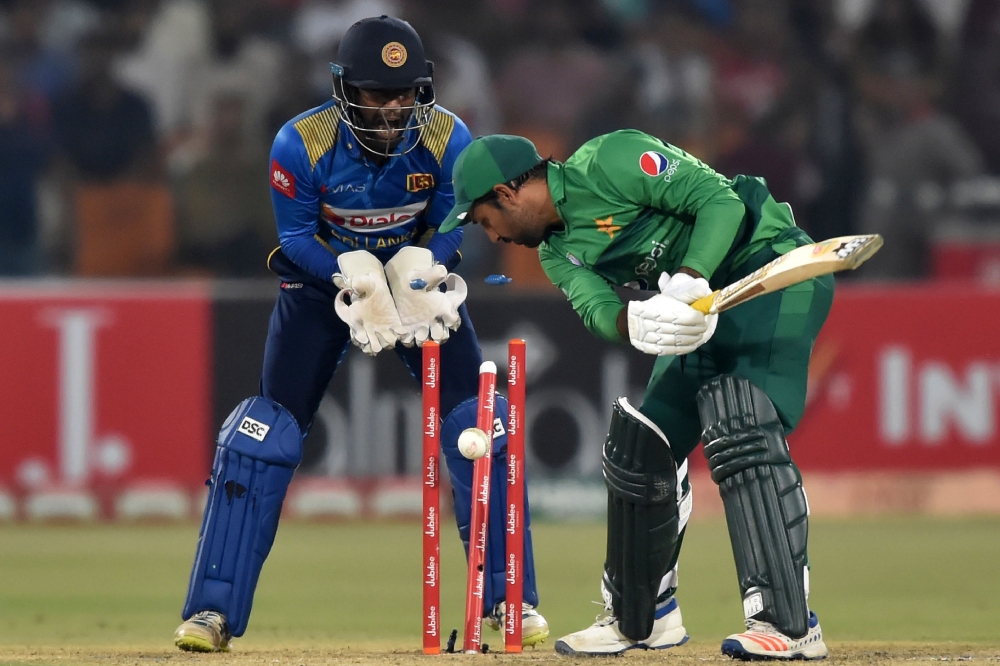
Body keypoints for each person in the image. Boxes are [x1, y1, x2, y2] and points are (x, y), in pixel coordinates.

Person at [172, 17, 548, 652]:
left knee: (480, 427)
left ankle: (509, 604)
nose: (393, 108)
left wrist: (428, 264)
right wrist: (351, 275)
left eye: (405, 92)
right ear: (344, 87)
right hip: (323, 290)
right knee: (263, 437)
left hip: (413, 286)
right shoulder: (300, 143)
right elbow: (294, 239)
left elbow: (454, 225)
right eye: (377, 93)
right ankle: (211, 612)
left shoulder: (448, 135)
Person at [438, 131, 833, 660]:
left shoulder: (610, 159)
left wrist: (691, 274)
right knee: (640, 448)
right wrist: (636, 320)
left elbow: (721, 201)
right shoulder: (558, 253)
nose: (492, 235)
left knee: (741, 425)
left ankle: (788, 624)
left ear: (506, 193)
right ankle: (641, 619)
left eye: (484, 219)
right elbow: (597, 309)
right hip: (699, 307)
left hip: (767, 267)